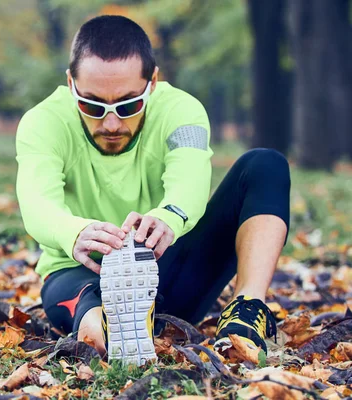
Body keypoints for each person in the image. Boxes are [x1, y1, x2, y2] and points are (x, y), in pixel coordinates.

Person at [15, 15, 290, 365]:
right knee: (94, 319)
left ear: (153, 82)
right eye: (92, 106)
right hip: (80, 270)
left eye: (128, 105)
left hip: (168, 266)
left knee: (264, 165)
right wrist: (75, 231)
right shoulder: (43, 122)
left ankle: (248, 309)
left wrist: (167, 219)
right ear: (71, 85)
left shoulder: (183, 112)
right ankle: (106, 328)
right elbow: (37, 203)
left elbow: (189, 180)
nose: (111, 123)